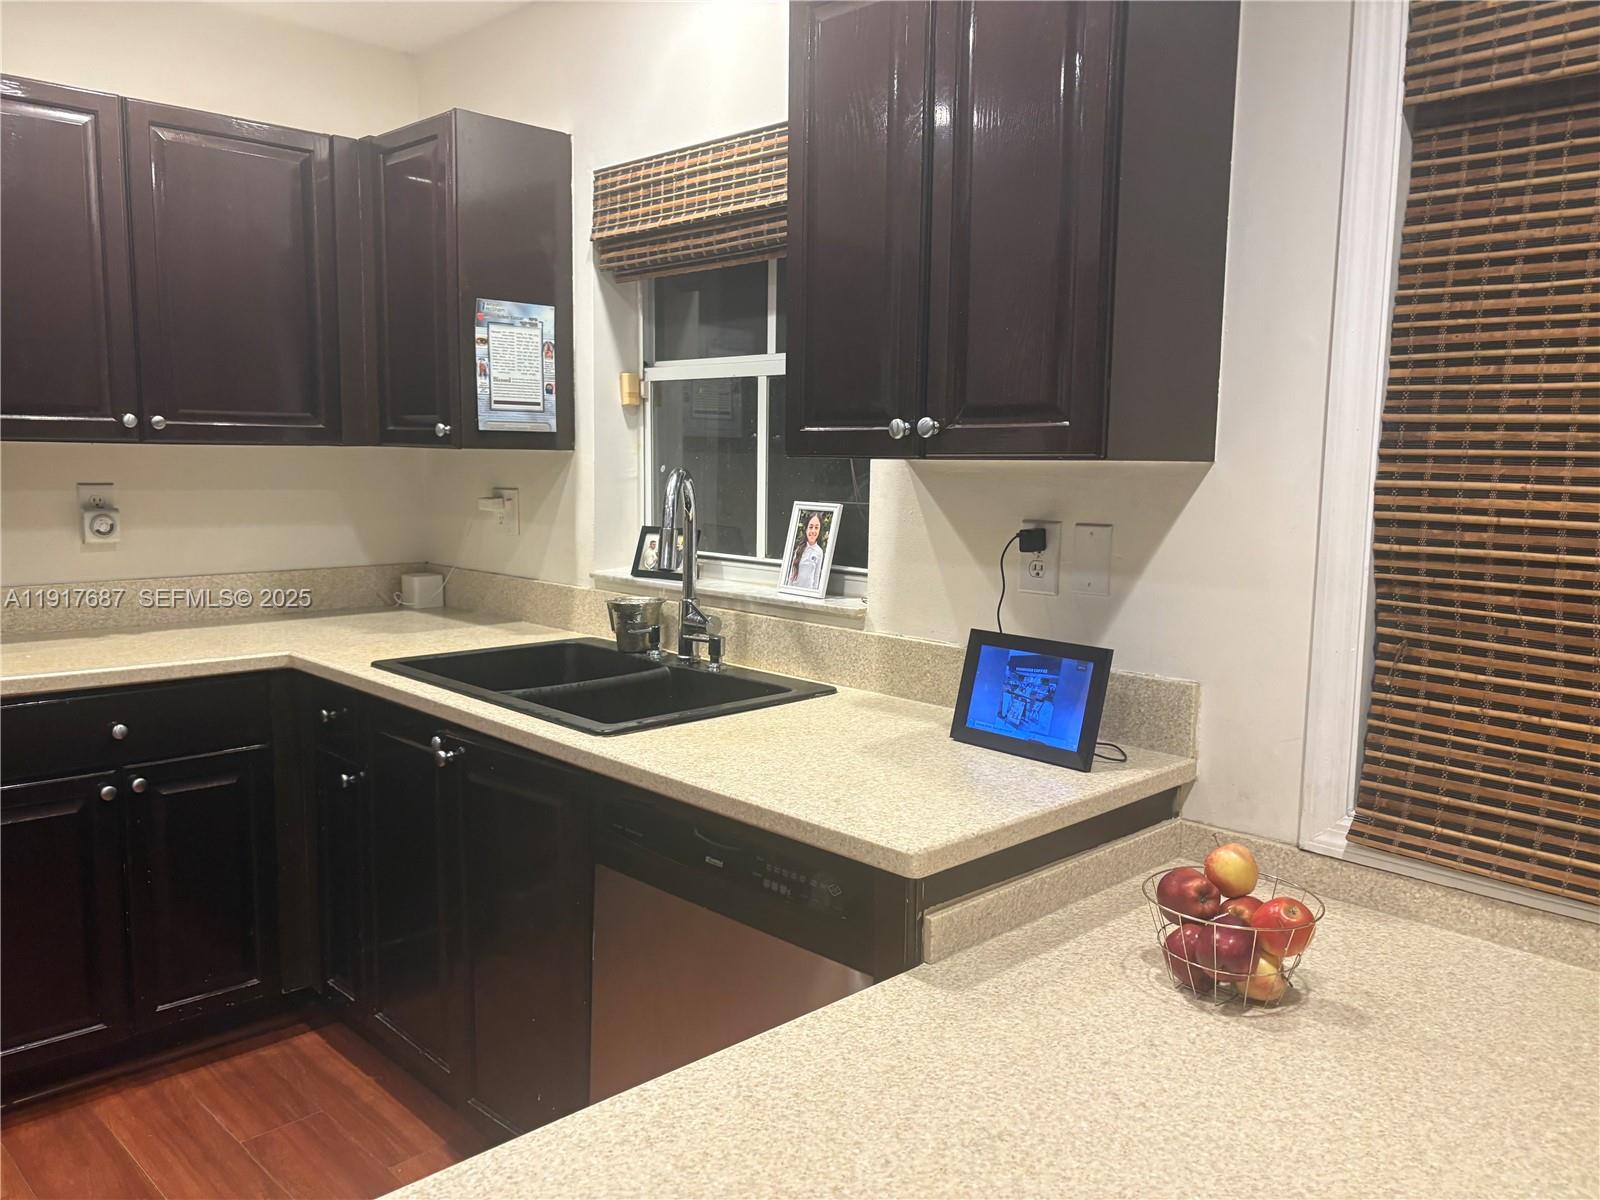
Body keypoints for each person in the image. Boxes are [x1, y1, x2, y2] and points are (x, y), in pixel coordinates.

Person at [787, 511, 827, 590]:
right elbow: (792, 574)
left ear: (819, 530)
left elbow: (816, 578)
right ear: (806, 528)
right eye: (811, 527)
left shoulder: (819, 552)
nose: (813, 531)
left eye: (816, 527)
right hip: (794, 591)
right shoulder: (799, 548)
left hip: (808, 594)